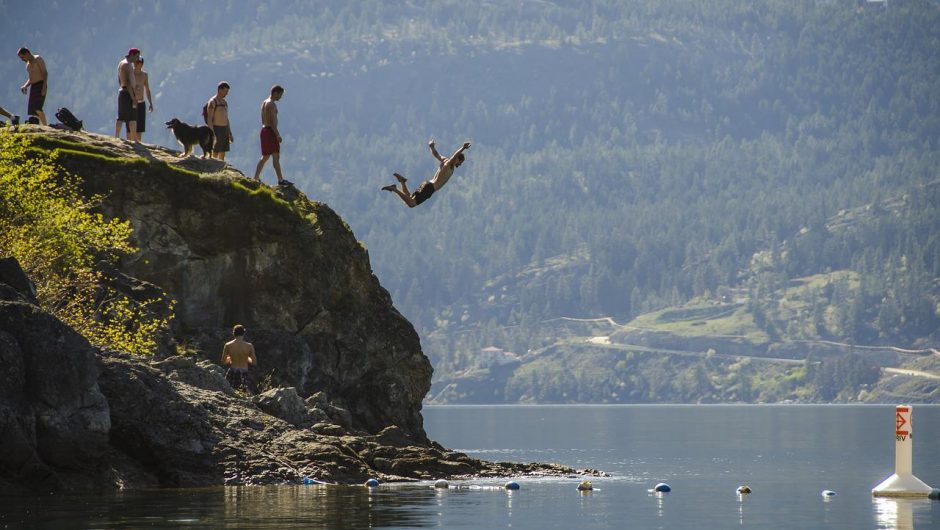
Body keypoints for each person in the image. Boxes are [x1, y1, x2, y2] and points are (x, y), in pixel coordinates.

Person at [382, 140, 471, 208]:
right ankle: (394, 189)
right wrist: (463, 148)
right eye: (460, 162)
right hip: (430, 188)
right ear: (457, 160)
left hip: (427, 184)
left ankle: (402, 182)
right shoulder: (450, 165)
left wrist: (432, 147)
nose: (460, 164)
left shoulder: (445, 160)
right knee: (411, 204)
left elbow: (436, 154)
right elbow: (455, 155)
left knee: (409, 198)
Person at [253, 85, 292, 186]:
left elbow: (264, 120)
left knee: (265, 156)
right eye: (280, 95)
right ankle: (280, 180)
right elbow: (272, 122)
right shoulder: (272, 104)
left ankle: (255, 178)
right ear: (275, 93)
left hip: (264, 130)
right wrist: (277, 134)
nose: (280, 97)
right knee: (276, 156)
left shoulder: (264, 102)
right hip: (270, 131)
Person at [220, 324, 257, 393]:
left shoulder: (228, 345)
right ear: (243, 333)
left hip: (232, 372)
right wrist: (246, 358)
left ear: (234, 333)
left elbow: (223, 362)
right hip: (244, 373)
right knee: (243, 394)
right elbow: (254, 363)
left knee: (229, 393)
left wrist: (231, 357)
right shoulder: (249, 346)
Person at [125, 56, 153, 142]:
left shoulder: (144, 75)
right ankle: (129, 144)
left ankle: (138, 145)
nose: (138, 65)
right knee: (130, 126)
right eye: (136, 63)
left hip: (141, 102)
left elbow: (147, 89)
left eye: (139, 63)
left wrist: (150, 103)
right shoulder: (130, 73)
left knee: (139, 127)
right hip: (131, 102)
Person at [17, 47, 48, 126]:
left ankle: (45, 126)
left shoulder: (38, 59)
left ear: (27, 53)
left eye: (22, 57)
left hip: (41, 84)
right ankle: (40, 126)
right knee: (32, 110)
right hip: (33, 87)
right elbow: (31, 79)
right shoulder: (28, 65)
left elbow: (44, 73)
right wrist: (25, 86)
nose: (22, 59)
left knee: (37, 108)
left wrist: (44, 86)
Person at [115, 48, 140, 140]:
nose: (137, 59)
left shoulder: (121, 63)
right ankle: (135, 139)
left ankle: (117, 136)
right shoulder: (128, 65)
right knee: (132, 117)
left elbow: (119, 79)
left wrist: (122, 86)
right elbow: (130, 82)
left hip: (122, 90)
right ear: (132, 55)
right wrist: (133, 96)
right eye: (136, 56)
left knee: (120, 116)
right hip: (128, 92)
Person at [206, 81, 234, 160]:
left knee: (223, 150)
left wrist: (230, 132)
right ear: (220, 90)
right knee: (215, 150)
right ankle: (213, 166)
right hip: (216, 128)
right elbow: (209, 118)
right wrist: (212, 132)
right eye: (225, 91)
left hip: (224, 129)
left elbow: (226, 118)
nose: (226, 94)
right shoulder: (212, 102)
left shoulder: (225, 102)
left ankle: (221, 166)